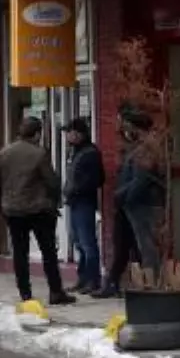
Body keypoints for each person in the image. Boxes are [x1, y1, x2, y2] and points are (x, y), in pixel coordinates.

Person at [0, 116, 76, 306]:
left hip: (13, 210)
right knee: (48, 252)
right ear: (37, 134)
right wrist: (54, 202)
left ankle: (25, 294)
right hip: (39, 209)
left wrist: (1, 207)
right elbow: (52, 182)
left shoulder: (3, 153)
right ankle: (55, 291)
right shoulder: (39, 154)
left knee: (20, 253)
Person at [94, 110, 166, 299]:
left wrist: (121, 196)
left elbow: (140, 181)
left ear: (138, 129)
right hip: (129, 204)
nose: (124, 131)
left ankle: (152, 284)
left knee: (145, 246)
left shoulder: (147, 149)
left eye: (127, 127)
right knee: (123, 245)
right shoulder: (134, 148)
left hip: (141, 204)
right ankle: (114, 282)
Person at [61, 117, 105, 294]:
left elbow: (98, 179)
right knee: (78, 242)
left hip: (84, 202)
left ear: (78, 134)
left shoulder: (90, 153)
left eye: (69, 133)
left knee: (87, 242)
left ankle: (93, 280)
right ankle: (83, 278)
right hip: (74, 202)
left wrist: (77, 190)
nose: (67, 136)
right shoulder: (75, 152)